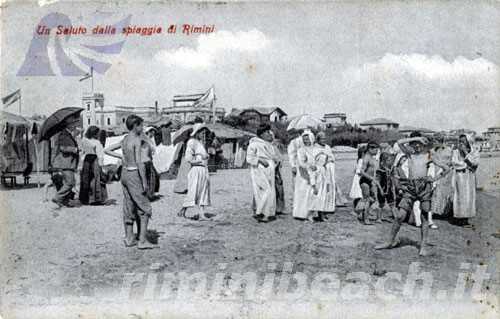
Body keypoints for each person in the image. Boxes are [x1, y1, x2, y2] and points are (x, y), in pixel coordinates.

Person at [376, 135, 449, 256]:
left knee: (424, 216)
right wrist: (417, 138)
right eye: (415, 144)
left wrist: (434, 178)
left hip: (424, 187)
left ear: (424, 145)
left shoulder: (428, 155)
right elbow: (399, 142)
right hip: (410, 187)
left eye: (419, 144)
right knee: (400, 216)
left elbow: (446, 168)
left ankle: (423, 246)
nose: (417, 146)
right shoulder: (409, 155)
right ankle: (389, 241)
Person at [105, 115, 158, 249]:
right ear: (136, 126)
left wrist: (121, 156)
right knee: (144, 207)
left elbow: (107, 150)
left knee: (129, 205)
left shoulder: (125, 139)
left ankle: (129, 238)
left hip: (124, 173)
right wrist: (145, 182)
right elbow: (139, 163)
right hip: (134, 174)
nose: (143, 128)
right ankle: (142, 241)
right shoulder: (136, 140)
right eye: (141, 125)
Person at [177, 123, 213, 220]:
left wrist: (206, 157)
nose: (203, 134)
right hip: (196, 170)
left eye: (204, 132)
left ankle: (201, 214)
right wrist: (199, 160)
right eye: (202, 132)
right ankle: (183, 210)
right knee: (193, 191)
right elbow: (188, 158)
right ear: (197, 132)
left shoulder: (201, 143)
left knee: (203, 191)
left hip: (203, 170)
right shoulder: (192, 142)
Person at [246, 124, 279, 222]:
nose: (269, 134)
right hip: (259, 169)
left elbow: (273, 157)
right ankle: (259, 212)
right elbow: (249, 158)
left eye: (269, 132)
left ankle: (267, 213)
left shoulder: (269, 145)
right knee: (265, 190)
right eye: (267, 132)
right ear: (261, 134)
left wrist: (275, 162)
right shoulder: (254, 144)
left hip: (270, 169)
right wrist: (259, 160)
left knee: (270, 190)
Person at [51, 116, 80, 208]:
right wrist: (75, 149)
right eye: (73, 124)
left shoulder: (68, 134)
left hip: (68, 162)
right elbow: (63, 148)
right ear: (69, 125)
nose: (75, 125)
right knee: (70, 182)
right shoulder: (64, 135)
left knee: (68, 182)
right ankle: (58, 197)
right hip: (66, 163)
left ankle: (65, 201)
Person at [451, 134, 479, 227]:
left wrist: (466, 153)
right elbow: (454, 163)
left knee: (469, 197)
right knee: (460, 196)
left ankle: (466, 219)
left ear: (468, 141)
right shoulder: (455, 151)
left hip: (470, 177)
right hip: (460, 176)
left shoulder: (474, 151)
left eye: (463, 141)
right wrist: (466, 165)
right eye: (460, 141)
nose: (461, 143)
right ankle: (459, 218)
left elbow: (475, 163)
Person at [309, 132, 336, 220]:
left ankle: (322, 213)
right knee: (316, 193)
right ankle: (311, 214)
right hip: (317, 172)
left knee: (324, 193)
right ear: (318, 139)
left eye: (325, 138)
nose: (324, 140)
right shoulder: (314, 149)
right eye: (322, 139)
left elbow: (330, 158)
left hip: (324, 171)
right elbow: (312, 161)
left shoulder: (326, 148)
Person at [294, 130, 320, 222]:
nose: (306, 141)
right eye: (304, 139)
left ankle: (313, 212)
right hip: (304, 174)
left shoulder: (316, 149)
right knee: (304, 193)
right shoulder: (301, 150)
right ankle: (302, 213)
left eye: (308, 139)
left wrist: (317, 166)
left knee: (314, 192)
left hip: (315, 172)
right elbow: (301, 163)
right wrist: (309, 166)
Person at [79, 126, 108, 205]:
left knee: (86, 179)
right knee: (96, 179)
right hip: (95, 160)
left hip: (86, 161)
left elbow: (82, 152)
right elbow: (100, 155)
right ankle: (96, 199)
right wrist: (102, 166)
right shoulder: (97, 142)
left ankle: (85, 198)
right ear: (95, 134)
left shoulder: (84, 141)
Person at [429, 135, 453, 226]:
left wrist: (447, 165)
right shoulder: (432, 150)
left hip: (446, 172)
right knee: (436, 191)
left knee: (445, 191)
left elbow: (451, 161)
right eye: (434, 141)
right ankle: (435, 211)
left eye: (436, 141)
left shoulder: (449, 150)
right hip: (435, 171)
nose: (435, 143)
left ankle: (443, 211)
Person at [358, 141, 381, 225]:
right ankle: (365, 219)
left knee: (373, 199)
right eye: (376, 150)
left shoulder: (372, 157)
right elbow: (362, 171)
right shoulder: (366, 158)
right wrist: (371, 178)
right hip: (365, 180)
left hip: (370, 181)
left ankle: (361, 212)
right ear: (370, 149)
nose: (376, 152)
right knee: (367, 200)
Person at [143, 127, 160, 200]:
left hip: (150, 160)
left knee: (153, 177)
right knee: (150, 177)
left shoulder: (151, 140)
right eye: (151, 131)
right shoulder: (145, 140)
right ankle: (148, 195)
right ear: (148, 132)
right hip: (146, 161)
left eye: (153, 132)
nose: (153, 133)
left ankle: (150, 193)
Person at [350, 145, 366, 214]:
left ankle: (361, 209)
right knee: (358, 195)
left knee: (361, 195)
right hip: (359, 180)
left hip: (362, 179)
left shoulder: (363, 160)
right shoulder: (361, 160)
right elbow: (358, 171)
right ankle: (355, 210)